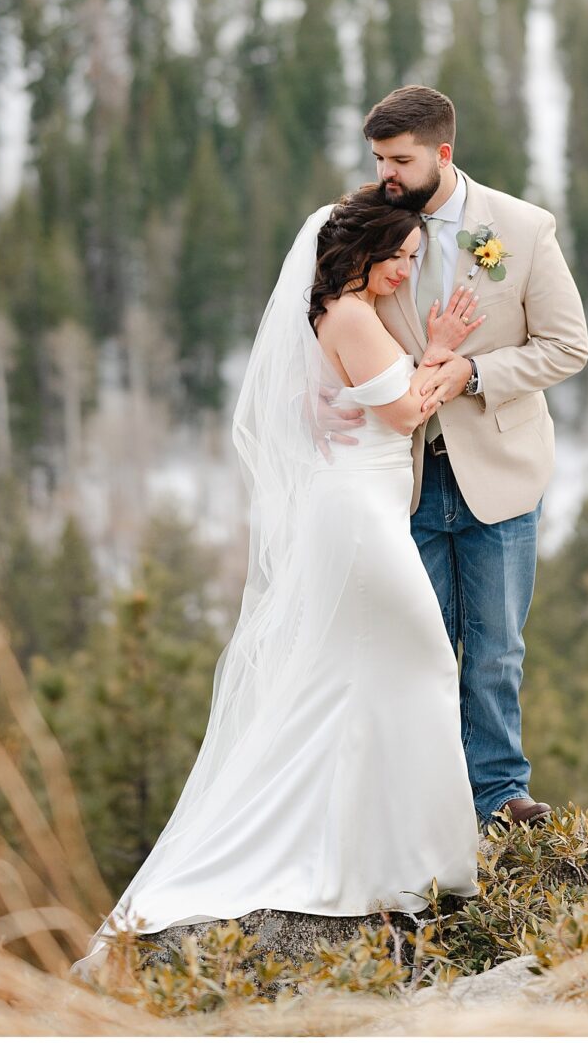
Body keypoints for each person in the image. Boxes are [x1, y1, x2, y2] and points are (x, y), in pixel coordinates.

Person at [71, 187, 486, 981]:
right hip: (358, 519)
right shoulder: (354, 316)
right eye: (395, 256)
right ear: (360, 250)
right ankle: (398, 859)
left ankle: (383, 856)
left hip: (360, 508)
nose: (404, 269)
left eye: (412, 258)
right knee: (421, 661)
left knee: (357, 678)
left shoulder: (331, 310)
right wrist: (441, 354)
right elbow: (403, 415)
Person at [325, 85, 588, 835]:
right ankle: (429, 797)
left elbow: (567, 346)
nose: (385, 174)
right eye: (377, 159)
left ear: (442, 153)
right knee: (423, 645)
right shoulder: (366, 223)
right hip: (398, 472)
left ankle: (500, 793)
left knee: (496, 648)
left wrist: (472, 373)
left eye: (399, 159)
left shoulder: (520, 228)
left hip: (497, 471)